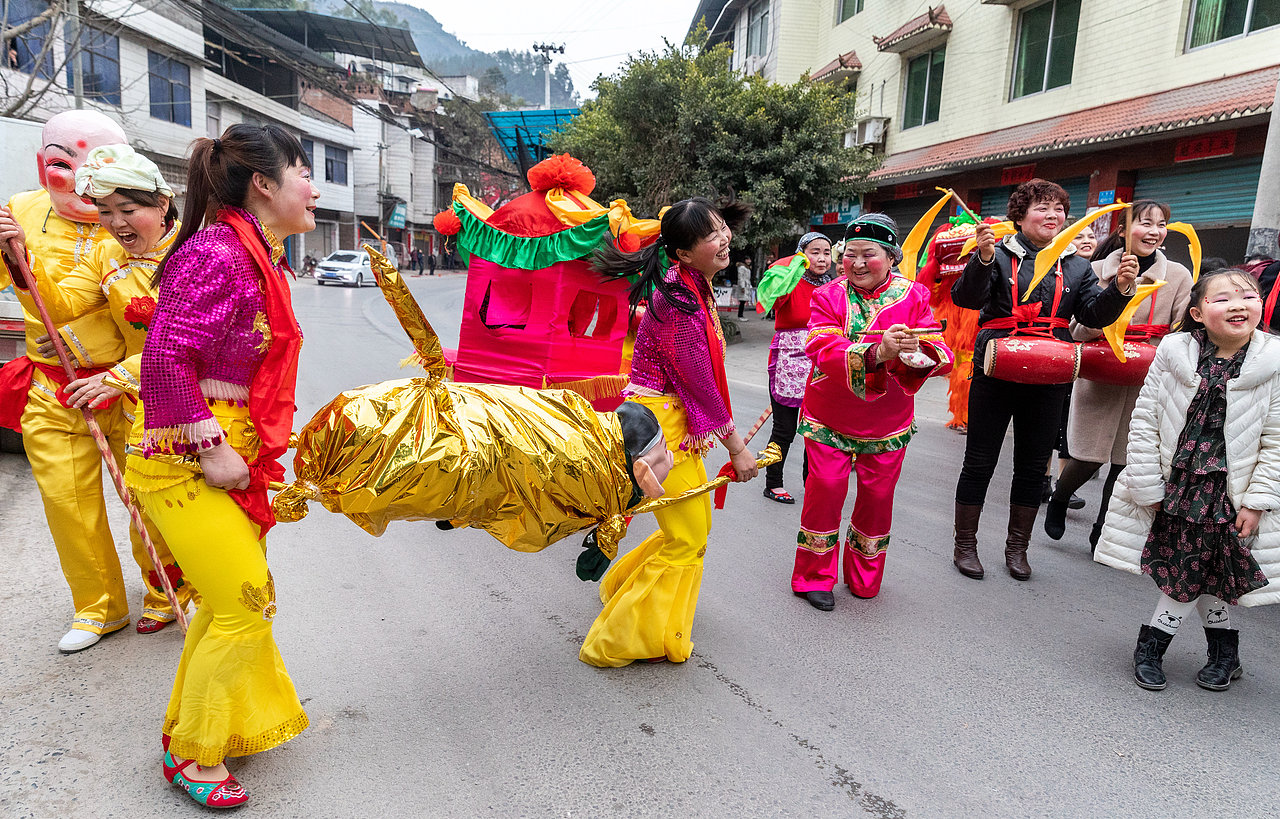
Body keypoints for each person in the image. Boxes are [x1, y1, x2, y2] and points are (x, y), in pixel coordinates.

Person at [125, 123, 317, 808]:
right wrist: (213, 448)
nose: (313, 187)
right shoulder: (218, 252)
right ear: (265, 184)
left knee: (225, 600)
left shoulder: (254, 253)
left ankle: (194, 724)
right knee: (246, 604)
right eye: (303, 171)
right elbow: (163, 360)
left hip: (221, 456)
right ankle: (188, 754)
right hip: (183, 461)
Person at [0, 111, 191, 653]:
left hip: (135, 389)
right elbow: (61, 304)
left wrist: (116, 371)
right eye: (67, 164)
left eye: (122, 202)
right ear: (43, 165)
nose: (92, 191)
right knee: (69, 503)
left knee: (149, 500)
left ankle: (164, 589)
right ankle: (98, 606)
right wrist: (14, 259)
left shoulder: (156, 243)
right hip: (53, 386)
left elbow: (173, 333)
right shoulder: (18, 212)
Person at [579, 197, 759, 667]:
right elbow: (699, 384)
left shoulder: (691, 286)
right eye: (710, 234)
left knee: (692, 529)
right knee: (687, 536)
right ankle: (620, 638)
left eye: (722, 227)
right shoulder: (678, 299)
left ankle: (625, 591)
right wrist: (737, 449)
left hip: (673, 423)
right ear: (682, 253)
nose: (723, 239)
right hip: (663, 429)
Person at [1095, 270, 1280, 691]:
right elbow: (1144, 420)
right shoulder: (1174, 353)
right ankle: (1224, 652)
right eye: (1223, 299)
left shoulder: (1274, 362)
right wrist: (1145, 482)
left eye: (1248, 295)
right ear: (1197, 313)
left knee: (1190, 571)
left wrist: (1256, 501)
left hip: (1227, 492)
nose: (1238, 304)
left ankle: (1153, 645)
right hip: (1176, 484)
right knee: (1203, 572)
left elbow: (1277, 440)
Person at [950, 179, 1134, 581]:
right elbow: (965, 298)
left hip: (1050, 369)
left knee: (1034, 466)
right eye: (1042, 208)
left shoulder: (1077, 264)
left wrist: (1120, 288)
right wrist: (981, 258)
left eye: (1058, 209)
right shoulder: (996, 254)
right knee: (979, 460)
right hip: (996, 365)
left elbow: (1092, 316)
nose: (1053, 216)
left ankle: (1018, 548)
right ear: (1020, 215)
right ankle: (965, 545)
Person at [792, 214, 952, 609]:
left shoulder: (913, 295)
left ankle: (864, 576)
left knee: (878, 498)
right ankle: (814, 577)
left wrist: (915, 351)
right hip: (830, 414)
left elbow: (934, 344)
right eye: (850, 255)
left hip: (888, 420)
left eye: (869, 254)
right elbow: (820, 345)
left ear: (892, 257)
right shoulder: (828, 295)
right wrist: (878, 351)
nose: (858, 263)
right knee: (825, 491)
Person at [1045, 200, 1193, 549]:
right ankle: (1060, 497)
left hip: (1149, 378)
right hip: (1101, 371)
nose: (1154, 231)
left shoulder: (1178, 276)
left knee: (1125, 461)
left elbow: (1185, 328)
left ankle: (1103, 529)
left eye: (1161, 224)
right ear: (1124, 230)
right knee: (1088, 454)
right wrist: (1110, 323)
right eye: (1145, 223)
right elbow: (1075, 328)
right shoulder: (1091, 270)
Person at [756, 233, 835, 504]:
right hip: (789, 360)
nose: (822, 258)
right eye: (815, 252)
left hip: (823, 362)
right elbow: (770, 299)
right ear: (802, 254)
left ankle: (811, 482)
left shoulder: (835, 286)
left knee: (817, 428)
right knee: (784, 429)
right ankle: (773, 483)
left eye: (827, 252)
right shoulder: (789, 281)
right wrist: (792, 269)